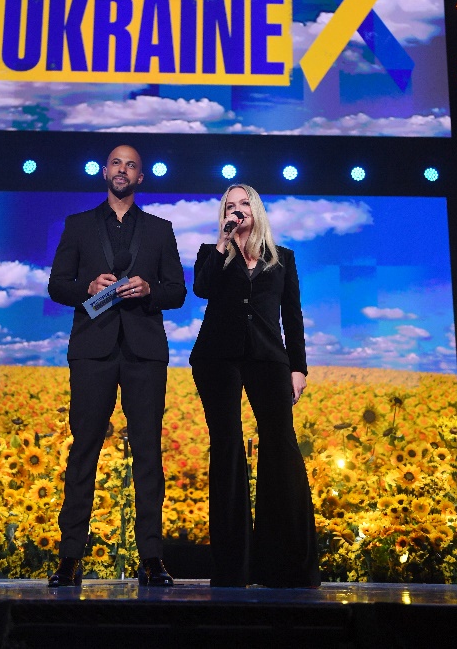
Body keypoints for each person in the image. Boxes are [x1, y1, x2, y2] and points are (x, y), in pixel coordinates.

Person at [47, 145, 186, 587]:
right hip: (92, 350)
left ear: (140, 177)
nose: (122, 169)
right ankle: (70, 558)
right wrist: (87, 287)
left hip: (145, 353)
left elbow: (177, 291)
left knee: (147, 454)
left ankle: (152, 559)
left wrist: (150, 289)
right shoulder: (78, 225)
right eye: (116, 163)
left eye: (131, 165)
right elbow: (57, 285)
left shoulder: (161, 229)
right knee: (83, 451)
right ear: (104, 171)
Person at [189, 184, 320, 588]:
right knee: (227, 447)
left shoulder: (283, 259)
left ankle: (286, 566)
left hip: (268, 358)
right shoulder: (211, 253)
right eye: (230, 206)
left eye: (244, 203)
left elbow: (292, 316)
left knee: (280, 445)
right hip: (217, 358)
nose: (237, 210)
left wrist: (298, 368)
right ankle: (233, 568)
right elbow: (202, 289)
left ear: (256, 209)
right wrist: (222, 243)